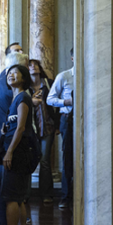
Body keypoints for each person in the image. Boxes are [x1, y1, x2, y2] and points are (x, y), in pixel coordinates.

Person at [0, 65, 36, 225]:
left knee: (10, 198)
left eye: (15, 73)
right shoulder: (16, 98)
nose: (11, 76)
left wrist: (9, 151)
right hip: (16, 151)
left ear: (24, 78)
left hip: (18, 153)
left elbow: (21, 127)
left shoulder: (23, 98)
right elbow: (14, 124)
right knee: (18, 198)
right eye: (9, 74)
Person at [47, 48, 75, 209]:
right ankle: (66, 196)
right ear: (72, 58)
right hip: (68, 120)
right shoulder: (64, 76)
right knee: (68, 158)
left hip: (87, 120)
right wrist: (66, 102)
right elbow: (50, 99)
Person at [29, 59, 58, 203]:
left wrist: (57, 125)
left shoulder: (49, 83)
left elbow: (56, 105)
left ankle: (46, 194)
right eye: (30, 65)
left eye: (35, 64)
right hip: (32, 129)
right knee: (31, 160)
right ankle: (26, 194)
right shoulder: (25, 87)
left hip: (47, 127)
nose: (33, 67)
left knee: (45, 160)